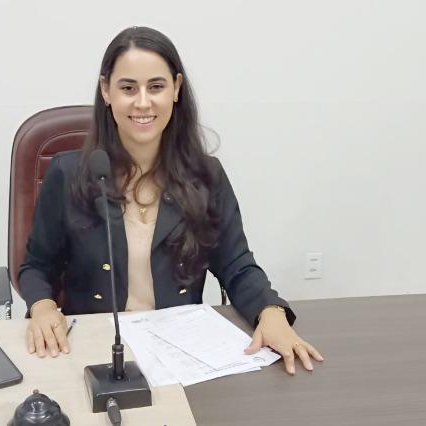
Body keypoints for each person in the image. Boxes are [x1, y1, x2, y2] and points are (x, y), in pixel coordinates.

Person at [19, 26, 323, 375]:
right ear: (106, 90)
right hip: (93, 349)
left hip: (180, 352)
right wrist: (42, 306)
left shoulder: (206, 176)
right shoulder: (68, 173)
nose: (143, 102)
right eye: (128, 88)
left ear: (176, 88)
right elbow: (36, 266)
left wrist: (271, 311)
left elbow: (237, 265)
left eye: (156, 87)